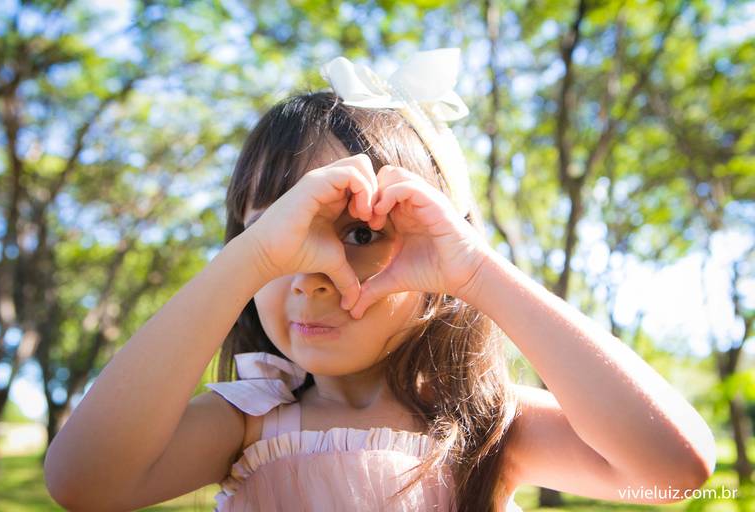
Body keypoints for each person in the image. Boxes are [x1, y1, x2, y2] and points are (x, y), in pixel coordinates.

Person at [44, 48, 716, 512]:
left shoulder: (485, 424)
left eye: (360, 235)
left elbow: (671, 474)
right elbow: (84, 482)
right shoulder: (249, 422)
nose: (311, 278)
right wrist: (245, 262)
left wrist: (477, 271)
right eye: (273, 238)